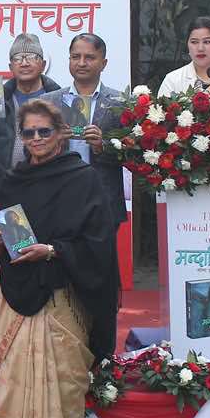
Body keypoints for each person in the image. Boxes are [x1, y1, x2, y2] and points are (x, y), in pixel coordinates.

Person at [0, 99, 119, 418]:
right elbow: (0, 242)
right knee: (13, 383)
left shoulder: (83, 179)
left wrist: (53, 250)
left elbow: (99, 243)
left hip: (63, 293)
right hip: (16, 292)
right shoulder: (11, 181)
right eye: (29, 132)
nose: (37, 138)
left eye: (44, 131)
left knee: (61, 385)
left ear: (61, 133)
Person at [43, 31, 128, 298]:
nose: (81, 63)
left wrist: (103, 146)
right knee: (62, 271)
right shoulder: (49, 102)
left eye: (89, 57)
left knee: (101, 272)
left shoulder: (120, 103)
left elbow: (133, 154)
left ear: (104, 63)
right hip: (60, 198)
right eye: (75, 56)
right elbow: (32, 150)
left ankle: (104, 319)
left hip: (103, 199)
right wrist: (53, 142)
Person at [0, 33, 61, 197]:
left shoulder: (59, 98)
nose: (24, 63)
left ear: (43, 64)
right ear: (10, 67)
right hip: (5, 188)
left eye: (31, 57)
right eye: (17, 58)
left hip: (49, 187)